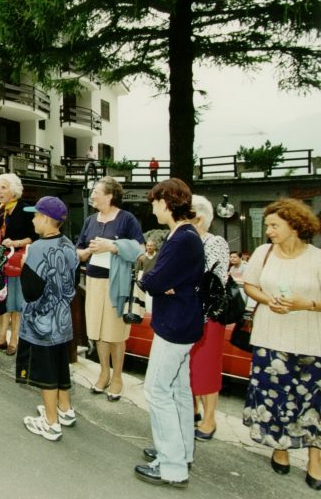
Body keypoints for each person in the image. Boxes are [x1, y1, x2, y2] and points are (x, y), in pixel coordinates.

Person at [241, 198, 321, 491]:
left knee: (313, 404)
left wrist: (306, 304)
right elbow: (250, 285)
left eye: (275, 225)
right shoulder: (263, 253)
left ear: (294, 225)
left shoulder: (317, 258)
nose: (269, 230)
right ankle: (280, 448)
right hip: (270, 339)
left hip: (312, 342)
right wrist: (268, 300)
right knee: (274, 399)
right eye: (268, 225)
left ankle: (316, 460)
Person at [135, 178, 204, 488]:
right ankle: (180, 450)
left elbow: (153, 279)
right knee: (178, 390)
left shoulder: (180, 239)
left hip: (174, 325)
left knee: (157, 391)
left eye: (154, 202)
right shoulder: (186, 234)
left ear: (166, 203)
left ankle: (171, 465)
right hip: (182, 321)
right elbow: (163, 280)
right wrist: (163, 283)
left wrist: (154, 280)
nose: (152, 207)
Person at [16, 196, 79, 441]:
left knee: (45, 373)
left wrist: (24, 266)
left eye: (35, 215)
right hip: (62, 321)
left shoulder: (37, 249)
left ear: (45, 219)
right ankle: (65, 410)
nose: (32, 219)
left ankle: (51, 423)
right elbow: (71, 284)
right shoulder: (68, 245)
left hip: (40, 324)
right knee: (60, 366)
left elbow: (31, 292)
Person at [76, 176, 144, 401]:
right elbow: (79, 249)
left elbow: (139, 250)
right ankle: (103, 373)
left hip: (117, 282)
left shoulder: (127, 219)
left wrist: (112, 246)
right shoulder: (90, 220)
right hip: (93, 280)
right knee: (97, 331)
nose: (92, 194)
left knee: (115, 333)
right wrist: (85, 253)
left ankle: (117, 377)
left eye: (96, 191)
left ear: (109, 195)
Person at [0, 173, 36, 356]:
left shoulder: (26, 210)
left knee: (16, 302)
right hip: (0, 261)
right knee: (1, 298)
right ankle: (1, 337)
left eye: (3, 187)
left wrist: (16, 243)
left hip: (18, 261)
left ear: (14, 190)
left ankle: (14, 340)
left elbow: (34, 237)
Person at [188, 195, 230, 441]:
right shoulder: (187, 239)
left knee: (206, 366)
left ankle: (209, 418)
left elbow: (211, 277)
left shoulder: (215, 242)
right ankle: (193, 409)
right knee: (189, 365)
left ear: (200, 217)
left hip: (208, 314)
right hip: (188, 313)